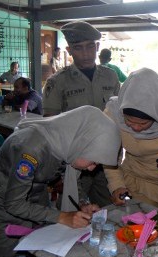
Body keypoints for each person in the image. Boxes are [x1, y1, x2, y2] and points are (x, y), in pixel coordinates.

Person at [0, 106, 121, 257]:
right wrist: (62, 217)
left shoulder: (69, 142)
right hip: (0, 202)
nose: (92, 169)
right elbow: (14, 204)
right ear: (83, 144)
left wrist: (82, 203)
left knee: (40, 255)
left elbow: (66, 178)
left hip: (34, 194)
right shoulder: (31, 150)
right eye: (94, 161)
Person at [43, 21, 121, 207]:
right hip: (75, 163)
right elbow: (51, 127)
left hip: (106, 162)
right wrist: (59, 172)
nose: (85, 53)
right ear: (69, 50)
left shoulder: (111, 77)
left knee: (110, 210)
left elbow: (119, 116)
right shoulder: (57, 82)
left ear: (97, 47)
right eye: (78, 48)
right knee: (73, 212)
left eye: (90, 47)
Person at [103, 68, 158, 213]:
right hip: (135, 183)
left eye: (143, 124)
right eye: (129, 121)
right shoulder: (113, 113)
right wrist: (117, 185)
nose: (135, 128)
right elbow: (108, 156)